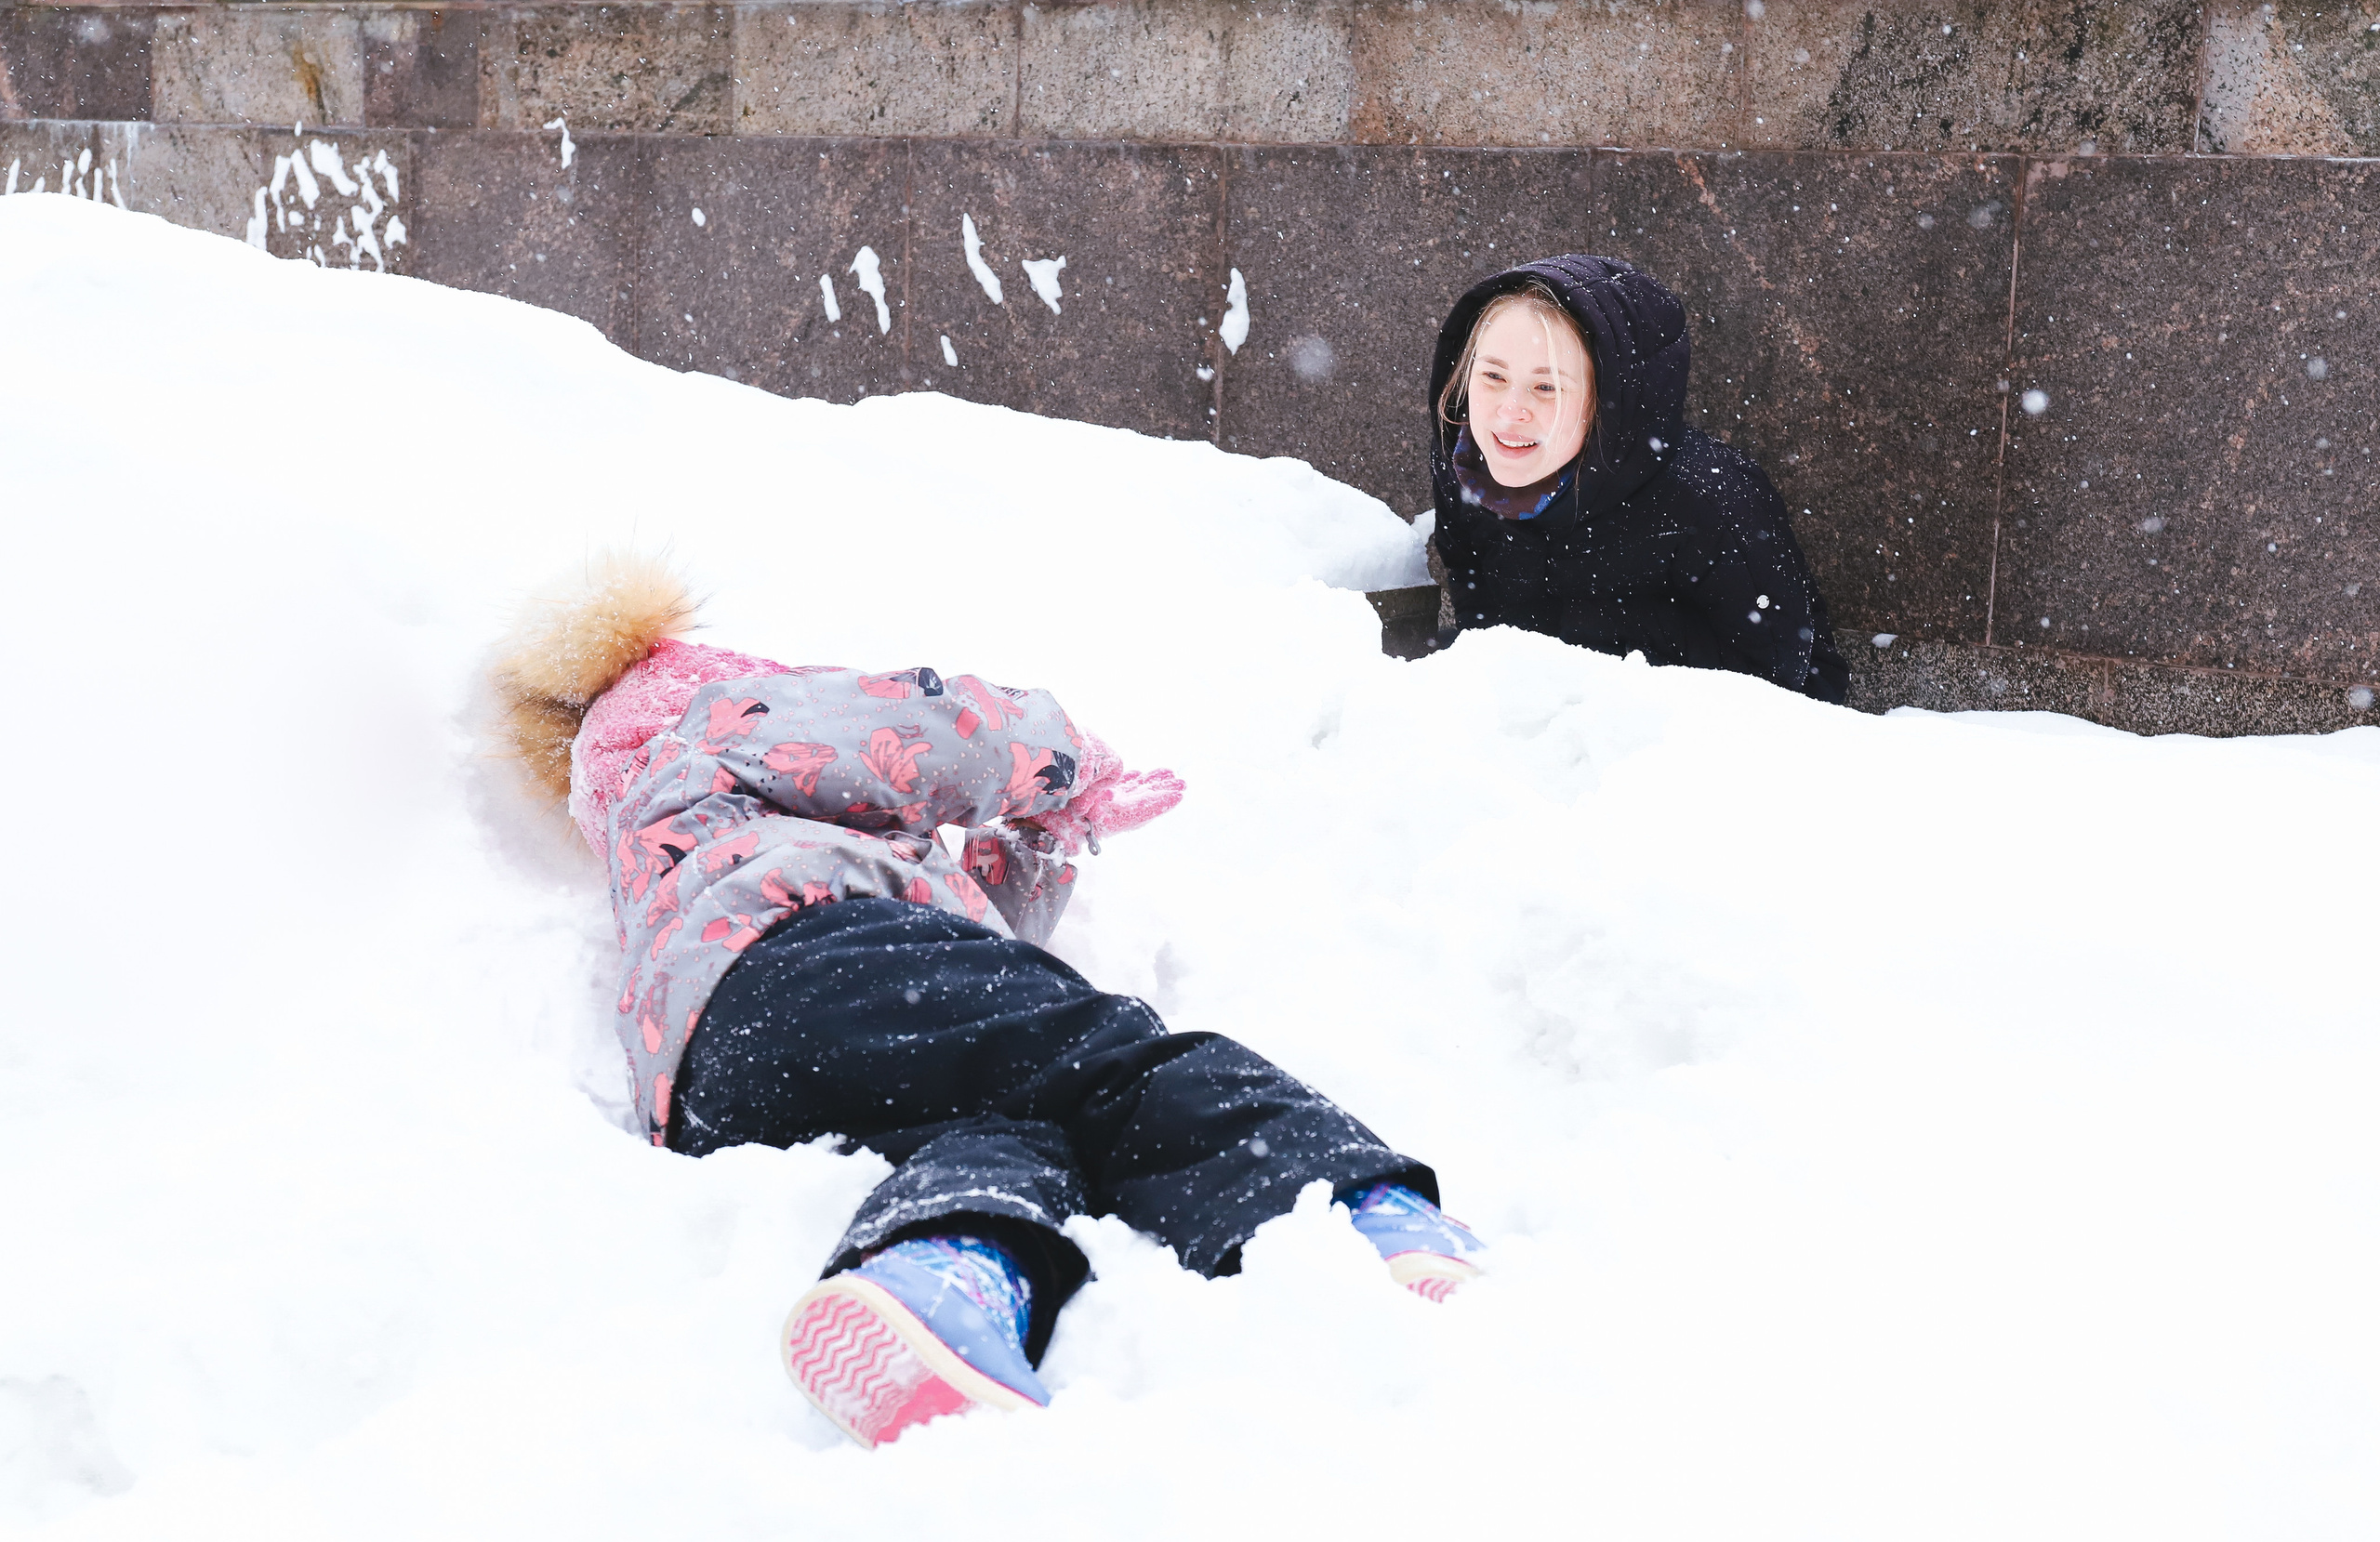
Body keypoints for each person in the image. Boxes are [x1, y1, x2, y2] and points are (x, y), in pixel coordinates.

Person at [490, 557, 1483, 1449]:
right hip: (825, 950)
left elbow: (977, 941)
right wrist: (1068, 761)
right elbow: (923, 726)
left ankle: (944, 1272)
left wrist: (1045, 838)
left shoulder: (665, 841)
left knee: (997, 1119)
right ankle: (1354, 1211)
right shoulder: (718, 722)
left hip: (718, 1071)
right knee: (1111, 1061)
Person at [1427, 255, 1849, 704]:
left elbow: (1789, 683)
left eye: (1546, 387)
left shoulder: (1706, 500)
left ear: (1605, 401)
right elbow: (1480, 613)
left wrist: (1599, 644)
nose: (1510, 411)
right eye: (1493, 376)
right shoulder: (1470, 468)